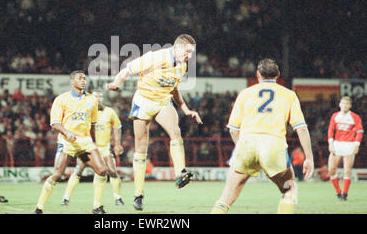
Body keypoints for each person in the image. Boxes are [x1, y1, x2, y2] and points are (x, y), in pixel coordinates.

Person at [106, 34, 203, 211]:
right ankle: (138, 194)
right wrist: (116, 82)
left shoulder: (182, 65)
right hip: (143, 101)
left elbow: (174, 89)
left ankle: (180, 173)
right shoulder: (156, 57)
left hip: (162, 102)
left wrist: (186, 109)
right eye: (188, 51)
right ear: (178, 48)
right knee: (141, 148)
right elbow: (128, 68)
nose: (189, 55)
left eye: (192, 53)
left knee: (176, 132)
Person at [211, 58, 314, 214]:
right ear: (278, 75)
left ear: (257, 74)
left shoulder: (245, 94)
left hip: (246, 145)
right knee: (289, 189)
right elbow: (301, 128)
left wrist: (242, 149)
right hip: (273, 148)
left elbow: (233, 129)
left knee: (226, 197)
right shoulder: (289, 95)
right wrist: (309, 158)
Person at [34, 70, 109, 214]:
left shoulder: (92, 100)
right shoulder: (62, 99)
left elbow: (93, 123)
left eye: (84, 78)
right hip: (67, 141)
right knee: (57, 174)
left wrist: (94, 143)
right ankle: (39, 207)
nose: (83, 81)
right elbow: (55, 123)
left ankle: (97, 206)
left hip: (85, 141)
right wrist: (67, 132)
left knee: (102, 170)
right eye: (80, 78)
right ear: (72, 81)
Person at [62, 91, 124, 206]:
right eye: (96, 96)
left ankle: (117, 197)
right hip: (88, 147)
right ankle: (66, 197)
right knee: (79, 169)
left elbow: (117, 127)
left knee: (112, 171)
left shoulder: (109, 111)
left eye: (100, 96)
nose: (98, 98)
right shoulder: (85, 112)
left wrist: (118, 144)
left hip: (104, 147)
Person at [327, 96, 363, 201]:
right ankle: (338, 191)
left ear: (350, 106)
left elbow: (359, 132)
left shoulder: (355, 117)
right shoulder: (335, 116)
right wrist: (330, 143)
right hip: (337, 144)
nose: (345, 105)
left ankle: (344, 194)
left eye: (347, 104)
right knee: (331, 170)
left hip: (349, 144)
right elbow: (330, 129)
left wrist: (357, 144)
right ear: (339, 104)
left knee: (347, 170)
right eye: (343, 103)